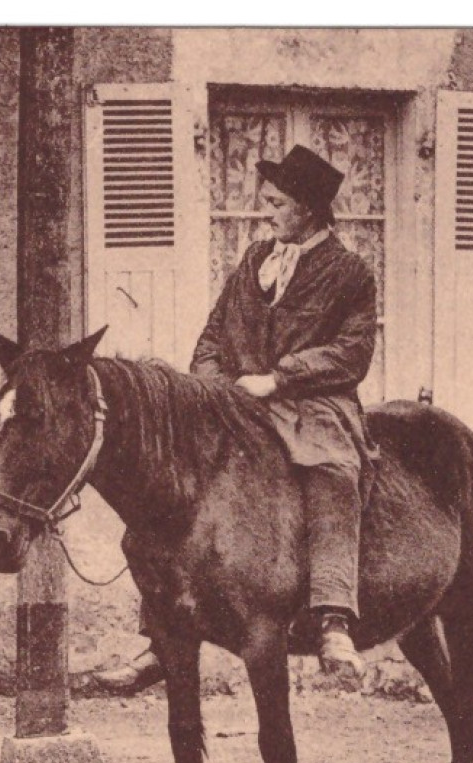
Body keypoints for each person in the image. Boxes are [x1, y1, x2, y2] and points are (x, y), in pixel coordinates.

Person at [94, 144, 377, 692]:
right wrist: (210, 389)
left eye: (278, 204)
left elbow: (353, 353)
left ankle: (334, 616)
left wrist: (279, 378)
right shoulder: (253, 261)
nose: (268, 213)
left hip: (313, 402)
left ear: (310, 211)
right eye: (267, 202)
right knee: (171, 486)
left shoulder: (350, 272)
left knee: (332, 470)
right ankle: (160, 635)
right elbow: (212, 336)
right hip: (235, 399)